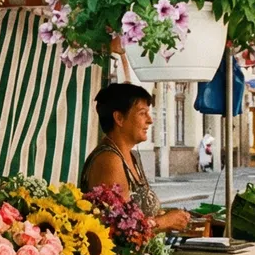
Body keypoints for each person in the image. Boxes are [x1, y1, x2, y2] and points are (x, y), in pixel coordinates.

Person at [82, 82, 191, 232]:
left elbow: (138, 215)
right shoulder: (109, 160)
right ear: (119, 118)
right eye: (142, 113)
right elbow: (118, 230)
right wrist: (164, 221)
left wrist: (168, 215)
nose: (150, 120)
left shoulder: (130, 156)